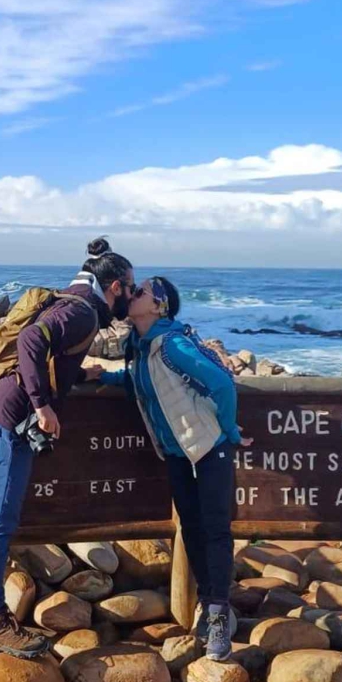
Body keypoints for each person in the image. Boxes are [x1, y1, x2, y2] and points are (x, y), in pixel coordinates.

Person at [0, 237, 135, 658]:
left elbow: (47, 355)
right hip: (10, 423)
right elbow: (31, 342)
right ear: (114, 286)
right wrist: (43, 407)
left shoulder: (71, 299)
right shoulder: (81, 312)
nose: (132, 297)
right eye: (130, 288)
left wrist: (77, 376)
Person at [83, 276, 249, 662]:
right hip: (177, 453)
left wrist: (230, 431)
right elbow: (143, 382)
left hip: (209, 448)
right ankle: (210, 606)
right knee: (190, 528)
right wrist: (102, 376)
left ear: (159, 307)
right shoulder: (141, 347)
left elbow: (223, 384)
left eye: (139, 292)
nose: (131, 295)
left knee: (215, 530)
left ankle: (219, 614)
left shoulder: (171, 344)